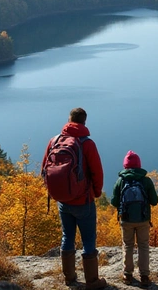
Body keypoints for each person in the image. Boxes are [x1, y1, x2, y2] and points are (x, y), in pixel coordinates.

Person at [41, 108, 107, 289]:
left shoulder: (54, 141)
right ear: (84, 122)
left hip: (62, 201)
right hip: (83, 201)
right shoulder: (87, 144)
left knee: (67, 236)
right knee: (88, 240)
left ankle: (69, 278)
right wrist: (97, 192)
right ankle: (92, 281)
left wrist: (56, 191)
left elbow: (44, 170)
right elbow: (97, 172)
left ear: (68, 120)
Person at [110, 151, 158, 288]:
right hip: (143, 219)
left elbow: (114, 202)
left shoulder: (121, 181)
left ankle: (127, 274)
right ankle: (144, 275)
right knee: (143, 245)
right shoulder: (146, 180)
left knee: (128, 245)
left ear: (125, 166)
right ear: (139, 165)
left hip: (126, 219)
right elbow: (154, 201)